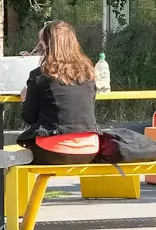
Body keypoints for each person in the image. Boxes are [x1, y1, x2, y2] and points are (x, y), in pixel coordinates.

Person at [16, 20, 100, 163]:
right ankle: (27, 155)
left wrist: (26, 97)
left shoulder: (40, 75)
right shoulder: (88, 74)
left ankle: (25, 155)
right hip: (91, 150)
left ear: (46, 45)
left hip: (54, 151)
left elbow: (29, 117)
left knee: (32, 143)